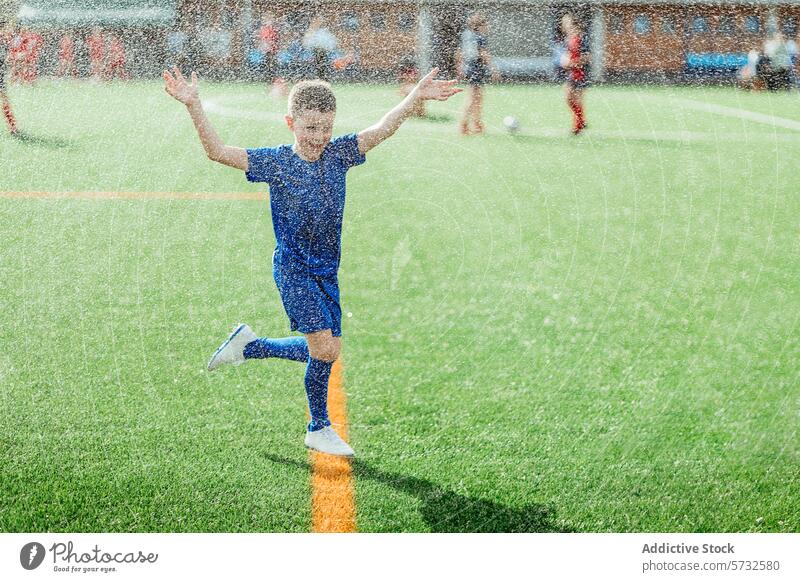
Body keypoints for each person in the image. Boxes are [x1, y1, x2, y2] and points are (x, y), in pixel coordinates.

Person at [162, 67, 460, 457]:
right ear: (291, 123)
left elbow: (383, 128)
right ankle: (318, 427)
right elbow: (217, 152)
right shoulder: (276, 162)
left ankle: (250, 347)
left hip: (326, 272)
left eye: (326, 128)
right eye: (311, 128)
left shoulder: (338, 155)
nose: (319, 137)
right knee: (322, 349)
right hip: (294, 270)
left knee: (327, 350)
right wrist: (194, 104)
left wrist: (414, 97)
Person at [458, 13, 494, 135]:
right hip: (477, 68)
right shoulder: (480, 37)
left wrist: (461, 67)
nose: (488, 26)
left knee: (477, 97)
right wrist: (493, 69)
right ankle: (465, 125)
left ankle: (476, 123)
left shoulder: (466, 35)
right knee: (474, 98)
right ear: (480, 25)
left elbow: (460, 52)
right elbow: (483, 53)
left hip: (470, 68)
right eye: (486, 24)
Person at [560, 14, 590, 135]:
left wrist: (572, 63)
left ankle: (577, 126)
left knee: (575, 99)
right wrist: (565, 60)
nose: (563, 25)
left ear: (572, 23)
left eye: (565, 22)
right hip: (573, 73)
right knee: (569, 98)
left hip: (581, 73)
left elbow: (588, 56)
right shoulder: (569, 39)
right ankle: (581, 121)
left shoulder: (582, 38)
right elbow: (569, 54)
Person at [0, 22, 18, 134]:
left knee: (5, 101)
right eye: (6, 28)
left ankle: (13, 127)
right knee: (4, 101)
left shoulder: (4, 42)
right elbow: (5, 59)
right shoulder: (3, 42)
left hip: (0, 75)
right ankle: (12, 127)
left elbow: (5, 60)